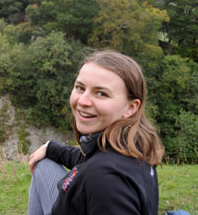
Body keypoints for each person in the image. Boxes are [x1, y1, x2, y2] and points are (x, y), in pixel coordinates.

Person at [27, 50, 165, 215]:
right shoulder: (132, 144)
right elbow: (88, 160)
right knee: (44, 164)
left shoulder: (105, 178)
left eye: (101, 93)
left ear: (131, 107)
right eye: (80, 87)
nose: (83, 101)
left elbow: (97, 169)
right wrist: (52, 148)